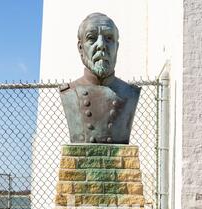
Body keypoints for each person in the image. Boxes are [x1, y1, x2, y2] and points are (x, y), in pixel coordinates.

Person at [60, 12, 141, 144]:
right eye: (92, 38)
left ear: (117, 47)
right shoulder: (69, 92)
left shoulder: (131, 93)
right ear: (81, 48)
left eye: (109, 38)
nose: (101, 45)